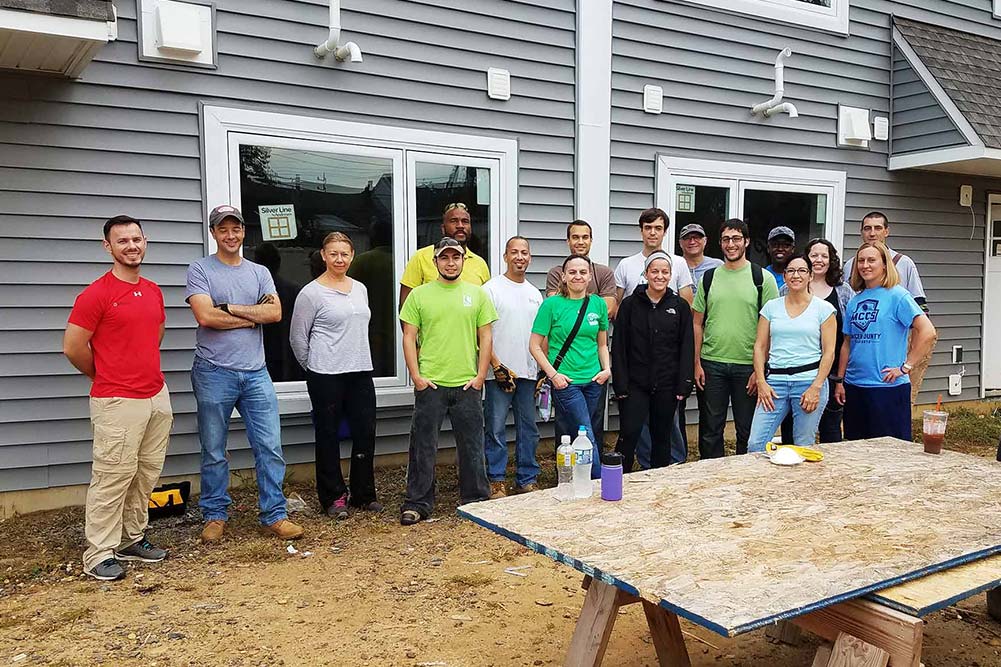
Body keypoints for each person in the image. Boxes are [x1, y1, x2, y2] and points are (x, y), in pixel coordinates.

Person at [63, 215, 173, 581]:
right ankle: (99, 552)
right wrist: (105, 373)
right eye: (122, 241)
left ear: (146, 242)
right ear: (107, 247)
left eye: (137, 239)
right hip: (116, 400)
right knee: (112, 475)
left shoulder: (154, 290)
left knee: (145, 474)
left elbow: (155, 334)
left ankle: (131, 537)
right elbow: (73, 347)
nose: (132, 246)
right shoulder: (96, 294)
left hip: (156, 395)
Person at [185, 205, 304, 543]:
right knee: (213, 449)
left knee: (269, 446)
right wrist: (254, 315)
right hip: (213, 371)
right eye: (223, 229)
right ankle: (215, 514)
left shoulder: (259, 272)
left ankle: (274, 514)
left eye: (236, 228)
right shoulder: (200, 269)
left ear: (243, 232)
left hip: (255, 373)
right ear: (213, 233)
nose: (231, 234)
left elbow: (276, 312)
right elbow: (206, 317)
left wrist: (233, 309)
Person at [399, 237, 496, 525]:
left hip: (467, 383)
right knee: (423, 446)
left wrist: (480, 376)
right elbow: (408, 336)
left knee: (472, 445)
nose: (450, 262)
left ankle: (475, 498)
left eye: (456, 257)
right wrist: (416, 376)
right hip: (432, 384)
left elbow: (486, 336)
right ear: (435, 261)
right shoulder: (419, 295)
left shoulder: (477, 295)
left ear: (464, 261)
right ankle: (418, 501)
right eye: (445, 258)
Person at [290, 232, 380, 520]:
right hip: (326, 373)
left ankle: (363, 494)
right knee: (328, 435)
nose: (339, 259)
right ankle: (333, 496)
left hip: (360, 370)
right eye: (333, 254)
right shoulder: (311, 293)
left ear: (352, 256)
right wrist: (314, 366)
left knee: (364, 433)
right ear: (323, 255)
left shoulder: (361, 289)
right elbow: (297, 338)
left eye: (344, 253)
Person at [613, 208, 694, 467]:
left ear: (671, 275)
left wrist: (684, 383)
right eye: (654, 271)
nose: (659, 276)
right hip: (635, 384)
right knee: (629, 435)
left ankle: (658, 483)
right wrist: (621, 384)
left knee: (662, 438)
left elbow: (686, 347)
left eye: (664, 272)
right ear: (646, 274)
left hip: (667, 385)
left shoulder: (678, 306)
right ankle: (617, 482)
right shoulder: (630, 305)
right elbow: (620, 347)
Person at [693, 219, 780, 458]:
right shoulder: (709, 278)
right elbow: (697, 323)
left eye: (736, 239)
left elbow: (771, 328)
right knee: (710, 429)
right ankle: (711, 476)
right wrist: (696, 363)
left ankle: (744, 479)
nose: (731, 244)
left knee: (747, 430)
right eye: (726, 239)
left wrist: (760, 370)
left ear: (746, 241)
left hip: (748, 367)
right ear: (720, 243)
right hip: (712, 363)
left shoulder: (762, 279)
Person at [834, 242, 937, 441]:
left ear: (884, 265)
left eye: (872, 260)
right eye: (861, 261)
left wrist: (906, 367)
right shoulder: (855, 300)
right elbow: (847, 342)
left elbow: (927, 332)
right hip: (855, 387)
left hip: (887, 388)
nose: (865, 265)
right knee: (857, 450)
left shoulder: (898, 295)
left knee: (891, 453)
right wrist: (840, 381)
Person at [531, 254, 612, 479]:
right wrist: (554, 375)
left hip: (595, 380)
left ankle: (570, 479)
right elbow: (535, 346)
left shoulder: (597, 304)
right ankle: (597, 481)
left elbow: (602, 343)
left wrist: (606, 369)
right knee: (585, 430)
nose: (578, 276)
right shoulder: (552, 305)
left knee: (579, 432)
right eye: (573, 272)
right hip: (567, 382)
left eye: (583, 272)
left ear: (589, 277)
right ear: (564, 276)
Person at [748, 254, 837, 452]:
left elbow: (829, 352)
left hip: (808, 383)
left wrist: (817, 386)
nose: (796, 275)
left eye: (802, 271)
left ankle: (802, 484)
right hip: (775, 384)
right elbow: (760, 346)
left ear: (810, 276)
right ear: (785, 276)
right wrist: (761, 381)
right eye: (791, 271)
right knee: (756, 444)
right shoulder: (771, 307)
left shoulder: (824, 309)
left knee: (803, 445)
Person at [843, 212, 935, 404]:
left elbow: (922, 315)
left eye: (877, 228)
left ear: (886, 231)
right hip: (859, 369)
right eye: (867, 228)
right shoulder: (851, 264)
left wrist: (907, 364)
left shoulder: (903, 264)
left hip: (896, 349)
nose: (872, 233)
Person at [545, 220, 618, 449]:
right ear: (568, 241)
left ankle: (591, 473)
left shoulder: (604, 273)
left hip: (593, 366)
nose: (580, 241)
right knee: (565, 424)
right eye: (575, 237)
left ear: (591, 240)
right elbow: (555, 307)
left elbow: (608, 307)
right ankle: (564, 473)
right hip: (564, 366)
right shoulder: (556, 272)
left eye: (584, 237)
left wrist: (584, 310)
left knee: (593, 422)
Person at [482, 237, 544, 498]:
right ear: (505, 256)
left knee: (528, 427)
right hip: (499, 373)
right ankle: (496, 479)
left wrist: (542, 370)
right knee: (495, 427)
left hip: (528, 373)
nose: (520, 257)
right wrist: (496, 365)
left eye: (525, 253)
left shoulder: (534, 293)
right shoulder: (491, 289)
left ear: (529, 258)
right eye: (514, 252)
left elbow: (542, 335)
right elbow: (481, 332)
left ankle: (526, 477)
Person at [785, 239, 855, 443]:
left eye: (824, 256)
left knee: (831, 427)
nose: (819, 260)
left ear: (831, 260)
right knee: (793, 428)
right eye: (814, 255)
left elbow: (848, 337)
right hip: (797, 371)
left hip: (833, 373)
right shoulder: (789, 289)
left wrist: (841, 378)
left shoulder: (843, 291)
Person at [399, 203, 490, 308]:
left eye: (465, 221)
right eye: (453, 221)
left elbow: (485, 309)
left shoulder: (480, 263)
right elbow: (405, 307)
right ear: (443, 228)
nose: (460, 225)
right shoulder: (421, 257)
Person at [614, 208, 694, 305]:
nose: (652, 233)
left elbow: (687, 305)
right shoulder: (625, 265)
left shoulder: (679, 263)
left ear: (664, 232)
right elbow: (616, 304)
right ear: (641, 231)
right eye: (648, 228)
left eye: (658, 228)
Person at [680, 223, 723, 298]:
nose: (692, 242)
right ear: (680, 243)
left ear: (705, 241)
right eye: (687, 238)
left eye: (697, 237)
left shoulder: (717, 266)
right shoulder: (675, 265)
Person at [764, 226, 796, 290]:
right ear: (768, 248)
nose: (780, 249)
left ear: (793, 249)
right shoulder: (761, 276)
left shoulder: (798, 277)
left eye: (786, 245)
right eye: (775, 245)